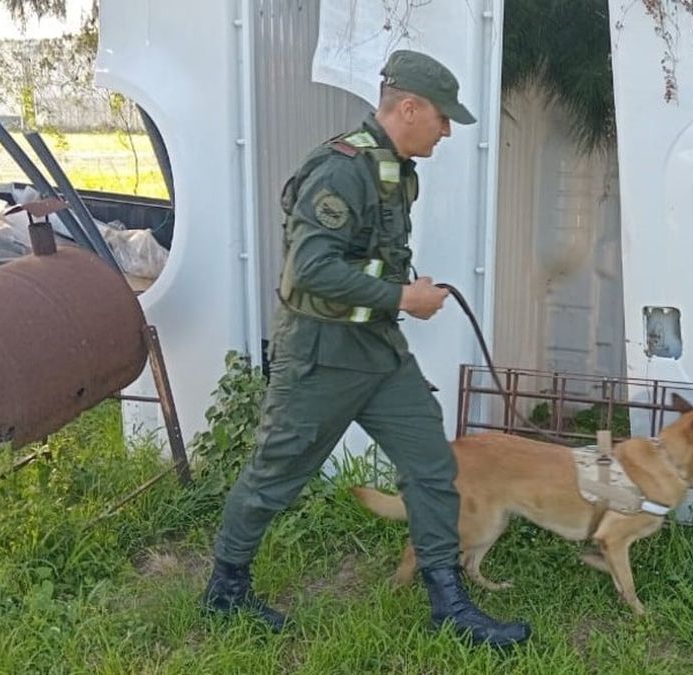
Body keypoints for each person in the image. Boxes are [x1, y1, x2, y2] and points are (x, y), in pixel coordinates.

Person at [201, 49, 531, 649]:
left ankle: (448, 603)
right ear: (409, 107)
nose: (448, 129)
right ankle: (225, 588)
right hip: (320, 355)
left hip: (378, 351)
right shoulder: (340, 169)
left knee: (432, 465)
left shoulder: (398, 169)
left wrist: (396, 299)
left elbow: (368, 261)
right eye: (442, 117)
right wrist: (404, 297)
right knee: (277, 473)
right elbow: (311, 269)